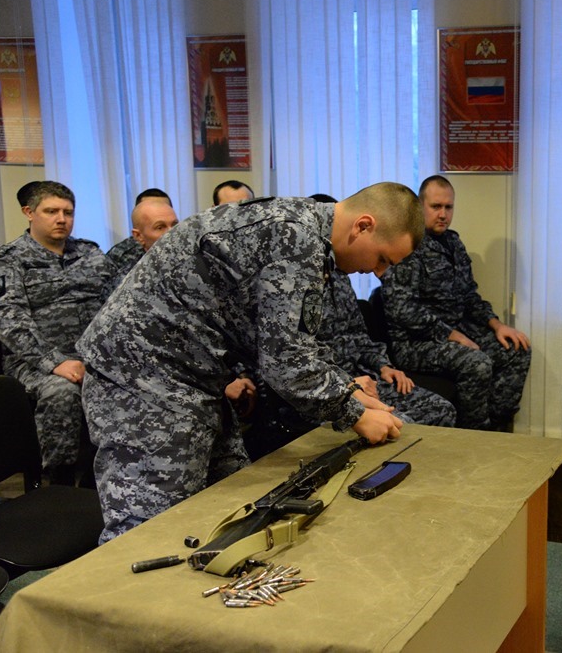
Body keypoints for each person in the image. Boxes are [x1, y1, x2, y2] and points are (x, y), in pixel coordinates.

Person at [77, 182, 424, 542]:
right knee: (147, 533)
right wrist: (355, 415)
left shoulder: (304, 232)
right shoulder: (296, 240)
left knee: (234, 510)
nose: (378, 272)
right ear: (363, 226)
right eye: (383, 259)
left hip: (189, 377)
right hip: (141, 379)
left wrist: (347, 390)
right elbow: (285, 365)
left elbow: (292, 339)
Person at [243, 263, 458, 459]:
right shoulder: (294, 280)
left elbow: (359, 336)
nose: (373, 270)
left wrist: (384, 365)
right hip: (321, 394)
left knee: (441, 409)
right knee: (398, 425)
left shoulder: (340, 278)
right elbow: (290, 360)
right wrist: (348, 385)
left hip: (362, 379)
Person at [380, 175, 531, 431]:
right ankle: (473, 435)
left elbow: (469, 295)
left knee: (517, 350)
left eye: (448, 207)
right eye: (436, 206)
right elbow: (402, 309)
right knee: (477, 362)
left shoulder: (453, 243)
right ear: (420, 206)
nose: (443, 214)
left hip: (455, 332)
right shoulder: (407, 245)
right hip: (416, 343)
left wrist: (497, 325)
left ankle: (496, 429)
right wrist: (451, 335)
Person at [0, 181, 115, 485]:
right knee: (62, 392)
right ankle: (56, 482)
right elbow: (9, 319)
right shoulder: (8, 260)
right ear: (29, 212)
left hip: (92, 357)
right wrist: (55, 362)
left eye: (68, 212)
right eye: (51, 211)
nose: (61, 219)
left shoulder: (90, 253)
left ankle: (108, 478)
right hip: (33, 363)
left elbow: (116, 305)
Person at [105, 188, 178, 285]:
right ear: (138, 235)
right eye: (160, 227)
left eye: (174, 224)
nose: (171, 232)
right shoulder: (122, 259)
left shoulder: (190, 249)